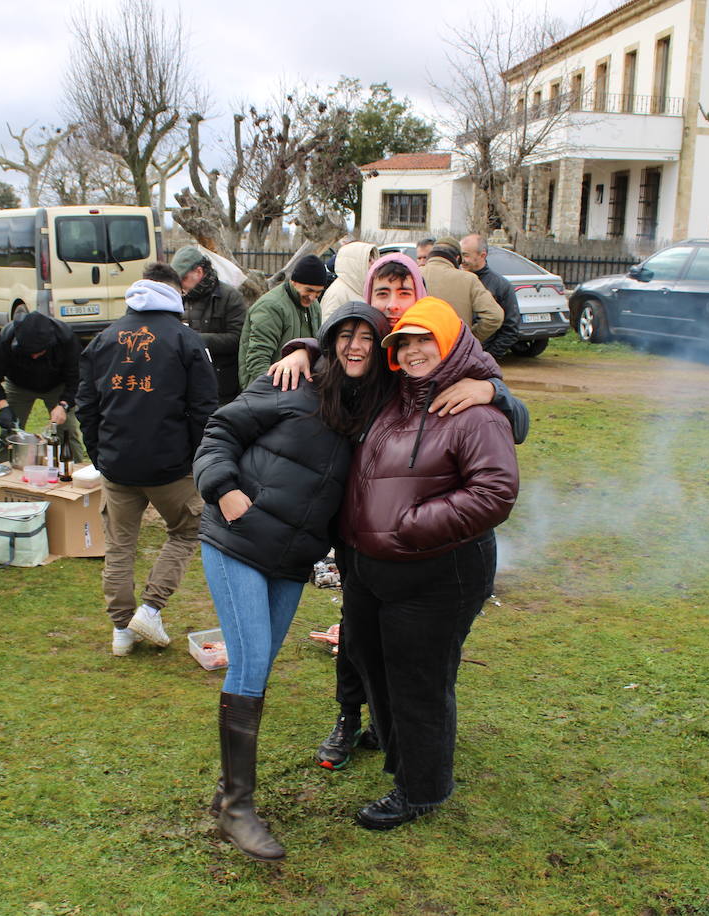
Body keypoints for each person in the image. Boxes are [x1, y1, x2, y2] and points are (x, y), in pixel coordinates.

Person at [193, 301, 393, 861]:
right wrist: (227, 493)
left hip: (291, 559)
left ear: (380, 352)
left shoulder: (372, 411)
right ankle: (237, 809)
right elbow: (219, 430)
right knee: (251, 663)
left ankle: (225, 793)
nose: (355, 347)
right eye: (344, 336)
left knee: (260, 665)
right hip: (236, 540)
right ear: (328, 344)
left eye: (367, 339)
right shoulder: (291, 381)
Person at [340, 297, 518, 829]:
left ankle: (422, 788)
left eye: (425, 340)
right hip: (372, 567)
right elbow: (342, 364)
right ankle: (404, 753)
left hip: (438, 571)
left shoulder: (475, 412)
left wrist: (410, 525)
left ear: (451, 343)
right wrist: (302, 348)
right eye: (405, 343)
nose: (414, 352)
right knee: (372, 662)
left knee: (418, 679)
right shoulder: (393, 398)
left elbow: (496, 491)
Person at [76, 263, 217, 655]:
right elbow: (205, 409)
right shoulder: (187, 340)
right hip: (171, 466)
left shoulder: (104, 339)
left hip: (117, 463)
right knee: (188, 530)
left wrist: (100, 455)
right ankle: (151, 609)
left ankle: (122, 628)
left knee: (120, 546)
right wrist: (196, 459)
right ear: (175, 295)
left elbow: (86, 406)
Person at [0, 311, 83, 463]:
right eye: (29, 352)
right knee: (8, 432)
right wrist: (4, 407)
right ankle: (2, 474)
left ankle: (77, 474)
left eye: (39, 352)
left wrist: (64, 404)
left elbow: (77, 378)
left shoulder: (66, 338)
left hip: (57, 384)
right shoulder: (5, 340)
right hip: (18, 384)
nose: (34, 356)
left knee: (66, 431)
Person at [236, 255, 328, 388]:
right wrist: (269, 392)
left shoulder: (314, 306)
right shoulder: (270, 307)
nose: (312, 297)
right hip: (270, 390)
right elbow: (258, 361)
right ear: (293, 282)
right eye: (308, 290)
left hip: (294, 388)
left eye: (318, 293)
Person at [171, 245, 246, 406]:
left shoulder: (230, 297)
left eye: (183, 278)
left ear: (199, 272)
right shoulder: (175, 298)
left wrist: (194, 340)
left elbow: (239, 338)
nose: (180, 285)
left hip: (221, 386)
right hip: (186, 383)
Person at [421, 237, 503, 343]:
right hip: (455, 349)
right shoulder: (469, 279)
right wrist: (469, 339)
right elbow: (495, 316)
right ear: (457, 258)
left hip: (418, 349)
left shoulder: (412, 275)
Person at [460, 233, 521, 360]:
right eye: (460, 255)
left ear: (482, 255)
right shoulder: (455, 281)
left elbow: (510, 328)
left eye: (466, 255)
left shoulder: (501, 285)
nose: (461, 260)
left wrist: (488, 357)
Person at [319, 241, 377, 319]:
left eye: (373, 259)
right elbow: (327, 326)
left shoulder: (360, 286)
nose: (374, 263)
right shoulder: (337, 294)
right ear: (356, 264)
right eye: (369, 260)